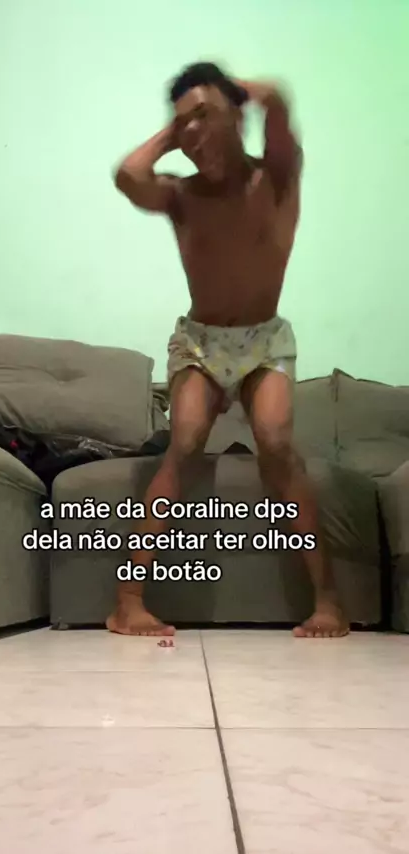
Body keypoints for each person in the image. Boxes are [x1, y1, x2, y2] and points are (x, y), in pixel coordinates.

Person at [108, 62, 349, 639]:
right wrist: (180, 129)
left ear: (237, 118)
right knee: (186, 443)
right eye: (182, 127)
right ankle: (127, 602)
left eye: (204, 117)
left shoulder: (277, 178)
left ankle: (328, 602)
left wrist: (255, 96)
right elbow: (128, 175)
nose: (193, 135)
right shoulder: (181, 195)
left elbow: (280, 107)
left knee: (276, 445)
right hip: (201, 341)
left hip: (265, 340)